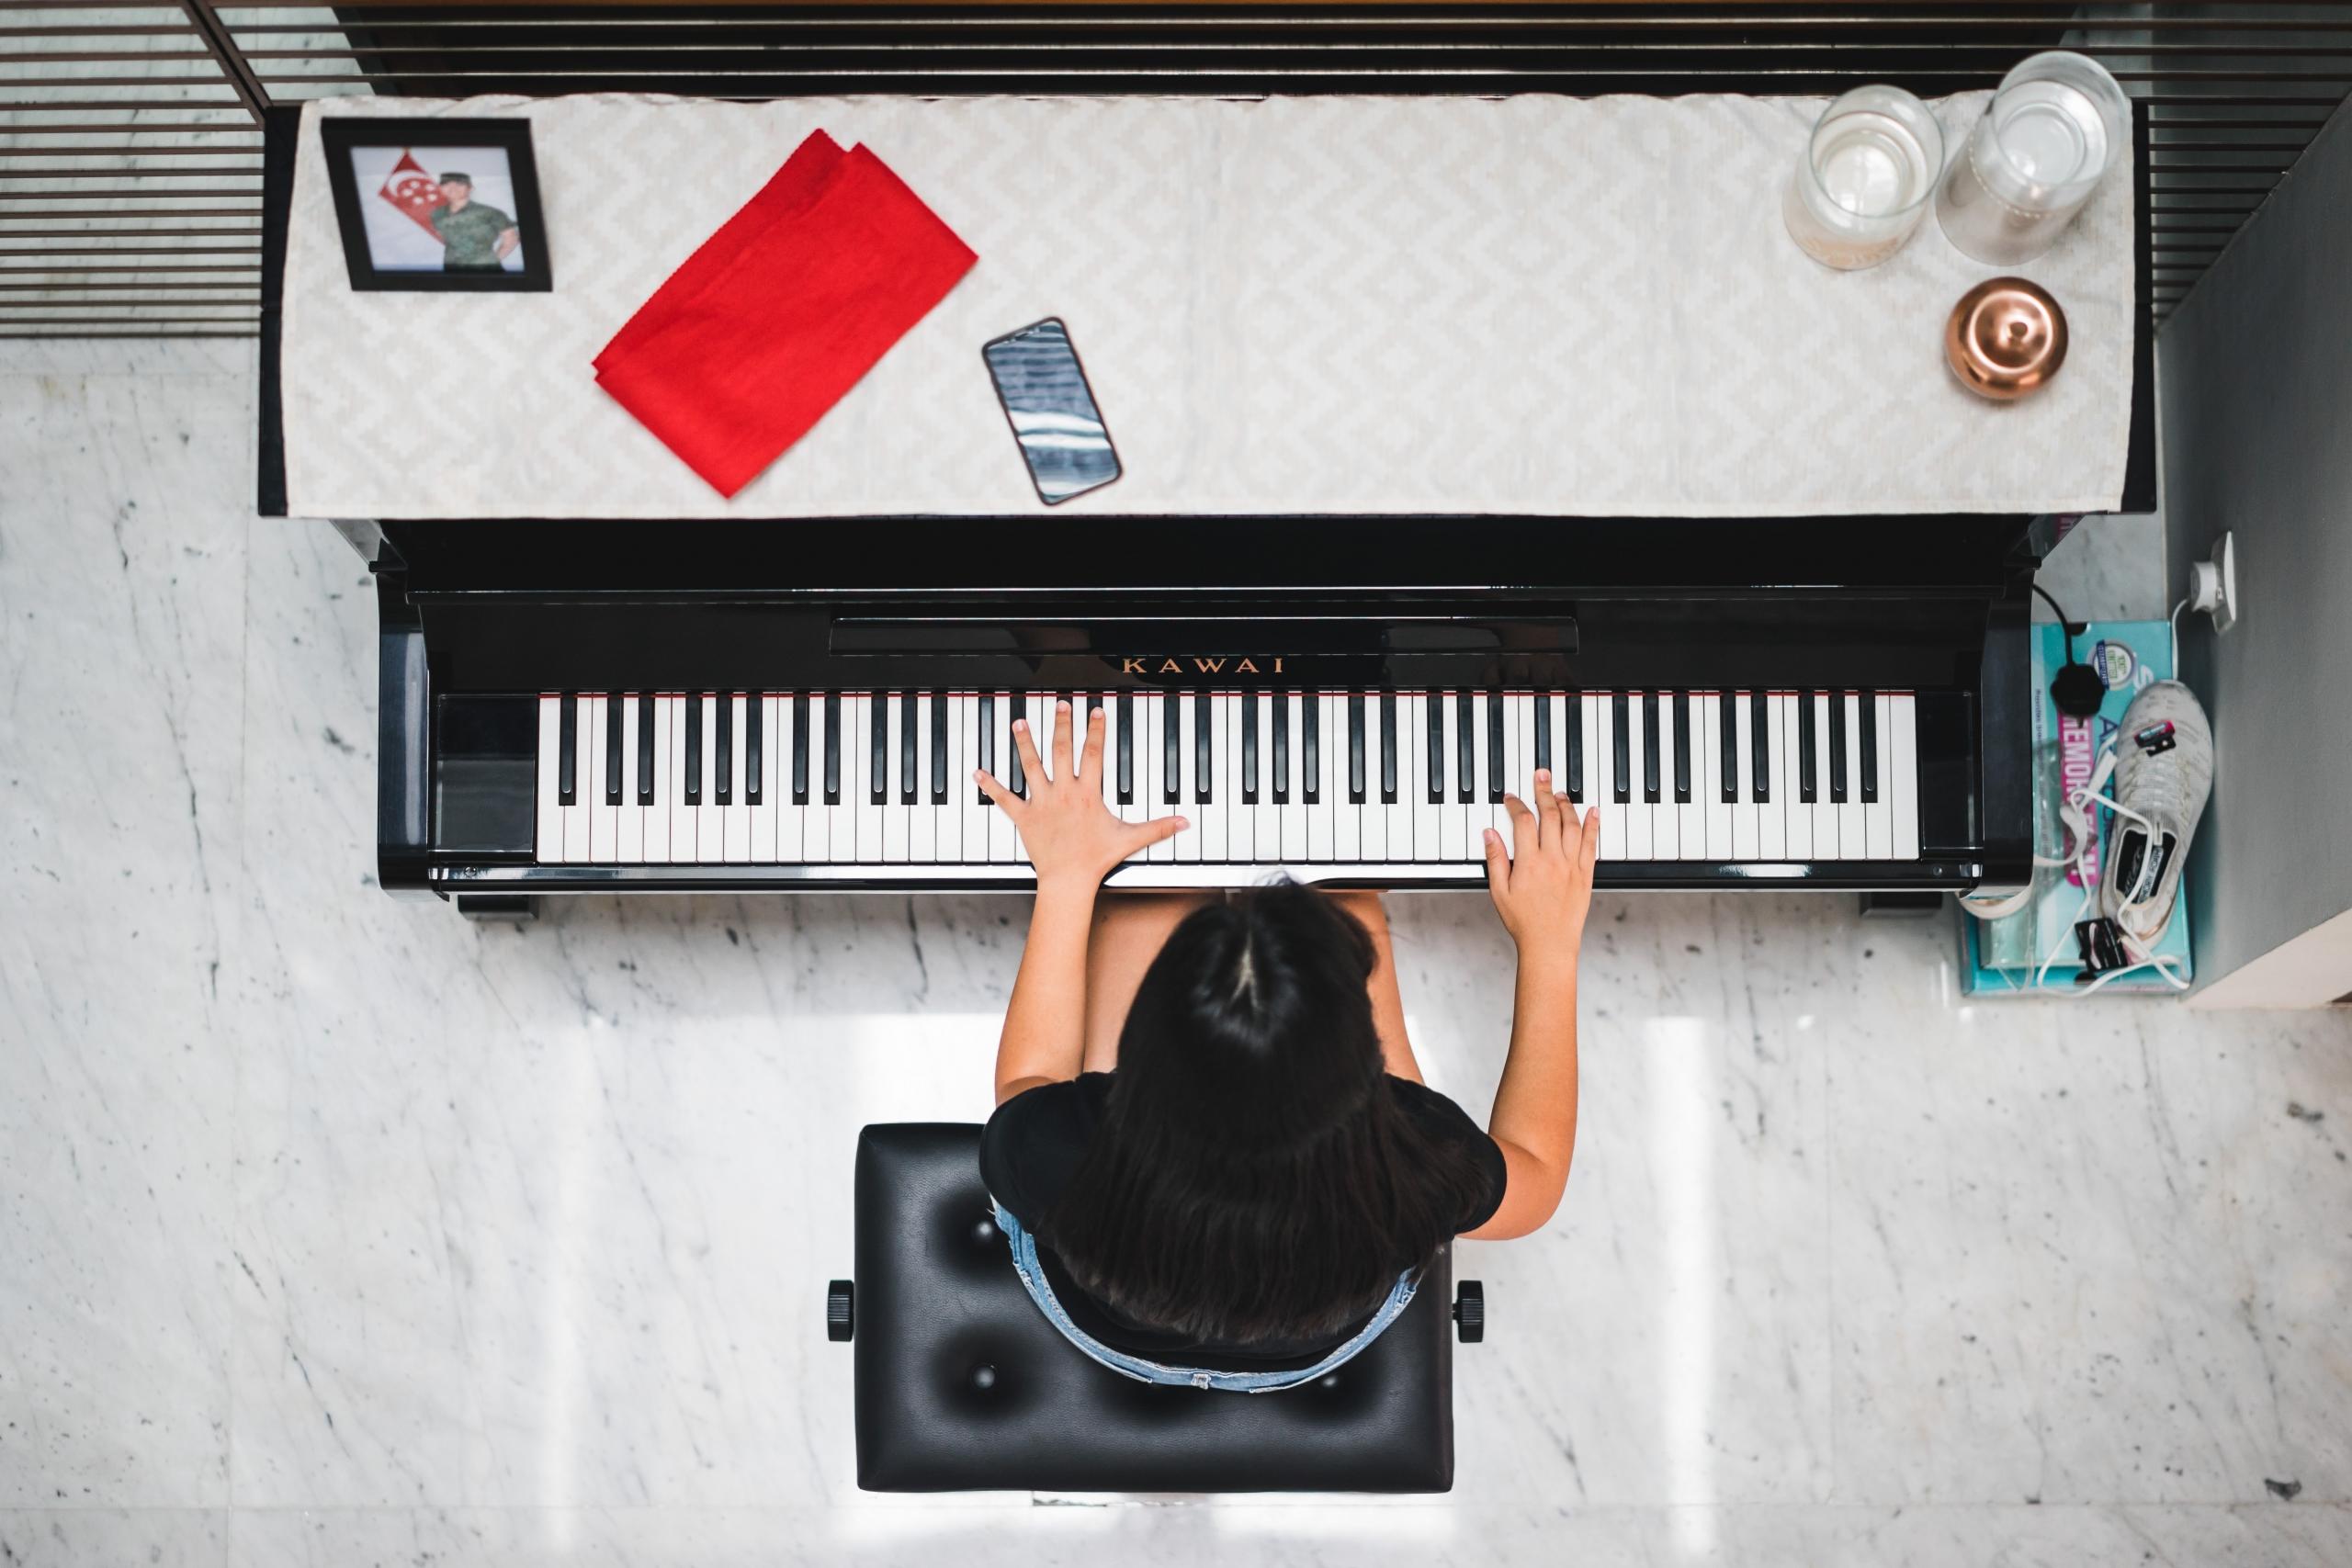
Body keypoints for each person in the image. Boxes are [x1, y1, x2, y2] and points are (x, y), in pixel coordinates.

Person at [976, 699, 1592, 1391]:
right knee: (1341, 891)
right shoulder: (1410, 1162)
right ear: (1367, 1069)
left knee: (1145, 884)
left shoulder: (1064, 1152)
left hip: (1115, 1325)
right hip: (1311, 1342)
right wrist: (1550, 942)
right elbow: (1534, 1179)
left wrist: (1066, 876)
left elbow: (1024, 1081)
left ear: (1135, 1054)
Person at [428, 172, 519, 274]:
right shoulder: (437, 214)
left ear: (470, 188)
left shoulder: (490, 212)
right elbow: (447, 239)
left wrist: (492, 261)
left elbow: (511, 239)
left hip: (486, 271)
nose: (452, 188)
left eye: (459, 184)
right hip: (451, 269)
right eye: (446, 184)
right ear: (440, 189)